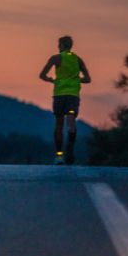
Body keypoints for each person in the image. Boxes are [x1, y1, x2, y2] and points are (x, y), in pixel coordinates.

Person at [39, 35, 91, 165]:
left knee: (59, 124)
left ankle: (59, 155)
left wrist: (51, 80)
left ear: (62, 45)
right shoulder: (78, 60)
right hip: (73, 96)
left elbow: (42, 75)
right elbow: (88, 79)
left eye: (58, 45)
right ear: (71, 46)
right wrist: (76, 79)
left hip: (59, 95)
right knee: (71, 121)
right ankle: (71, 146)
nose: (58, 47)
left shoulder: (56, 58)